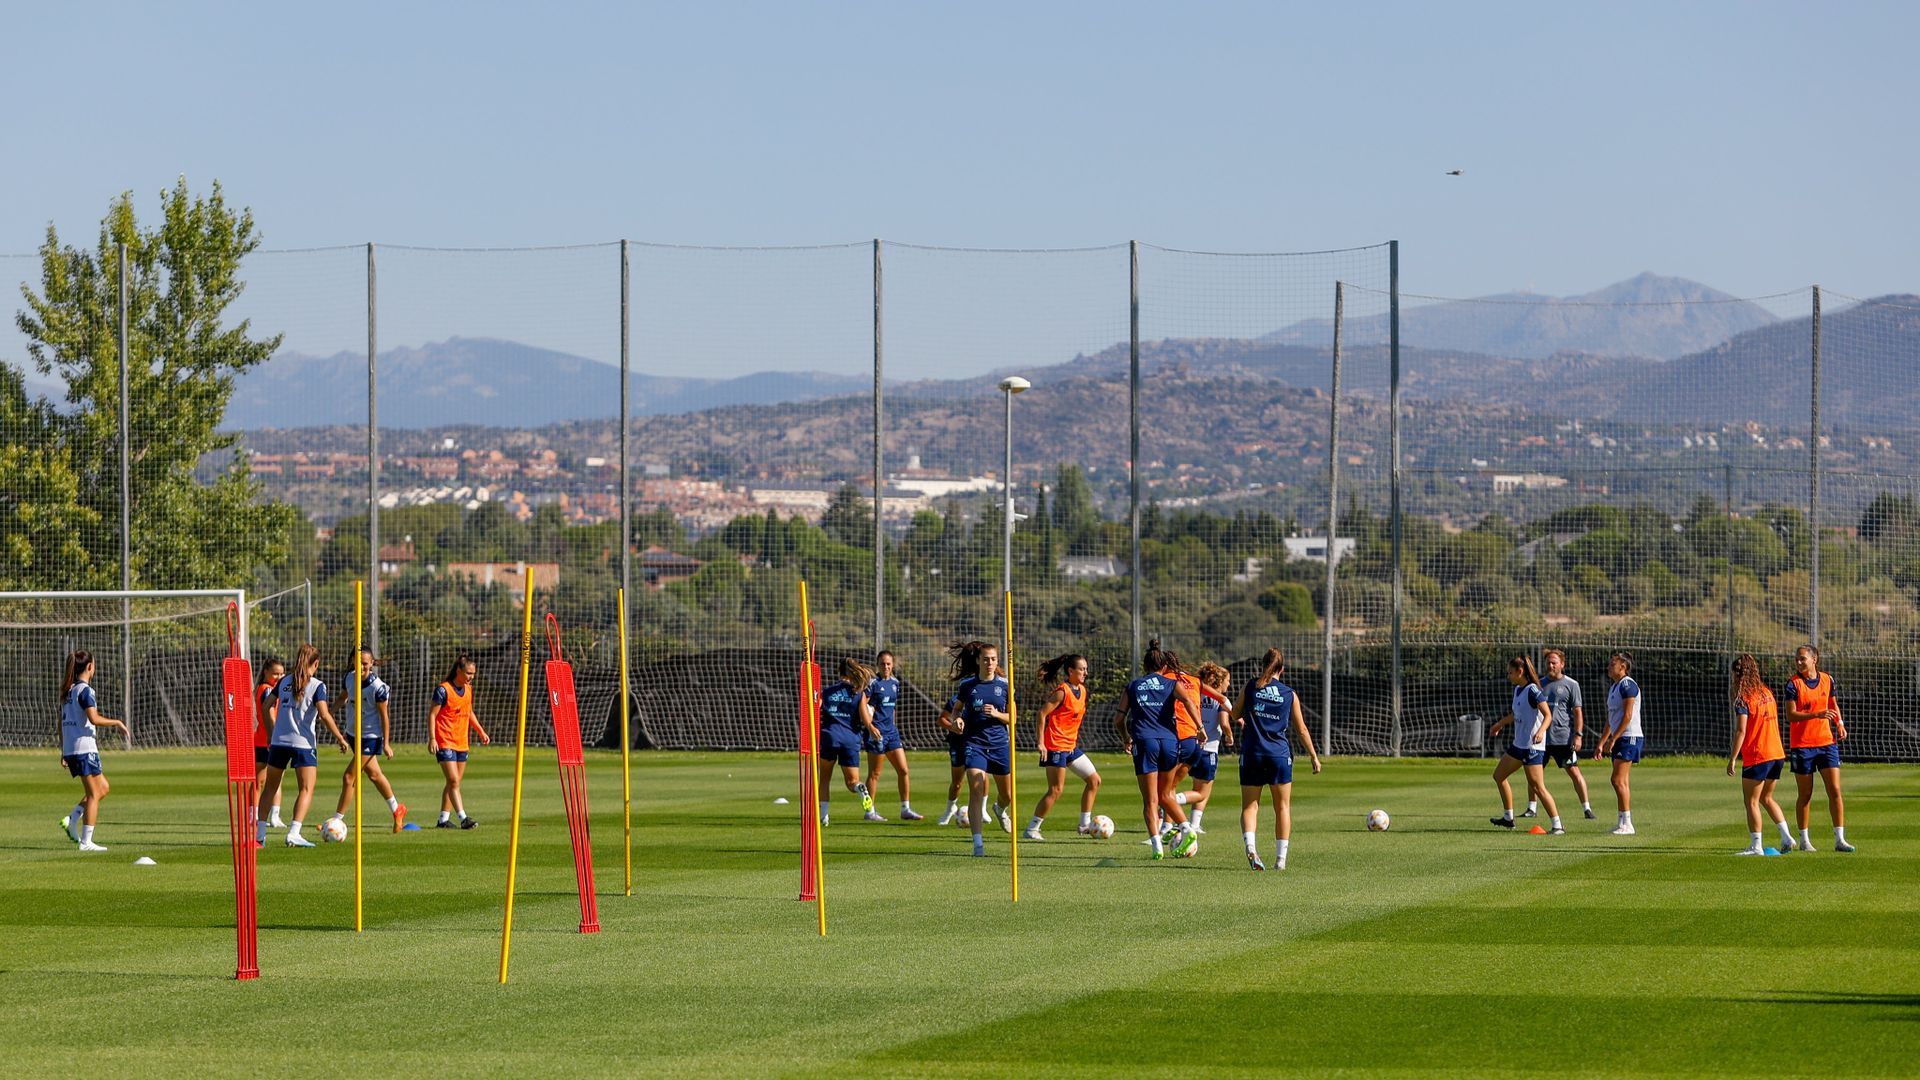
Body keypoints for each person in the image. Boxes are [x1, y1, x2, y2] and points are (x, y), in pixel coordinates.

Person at [1229, 648, 1322, 870]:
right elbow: (1301, 730)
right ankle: (1280, 860)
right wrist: (1313, 756)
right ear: (1282, 669)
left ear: (1263, 666)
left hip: (1252, 753)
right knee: (1282, 807)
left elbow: (1234, 714)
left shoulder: (1251, 686)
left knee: (1250, 806)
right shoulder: (1289, 694)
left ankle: (1251, 847)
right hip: (1278, 754)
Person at [1110, 639, 1202, 860]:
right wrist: (1200, 727)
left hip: (1145, 742)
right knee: (1166, 793)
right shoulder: (1171, 684)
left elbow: (1118, 720)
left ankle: (1157, 847)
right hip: (1170, 743)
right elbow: (1189, 702)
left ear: (1144, 666)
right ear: (1163, 667)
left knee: (1150, 800)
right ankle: (1187, 829)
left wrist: (1126, 738)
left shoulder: (1133, 686)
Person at [256, 643, 352, 848]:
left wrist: (272, 734)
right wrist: (340, 738)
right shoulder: (317, 685)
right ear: (315, 663)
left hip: (279, 742)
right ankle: (294, 833)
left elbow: (266, 707)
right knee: (306, 789)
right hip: (303, 744)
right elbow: (325, 715)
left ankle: (259, 836)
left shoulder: (283, 682)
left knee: (270, 788)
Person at [939, 639, 1014, 857]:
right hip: (974, 744)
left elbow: (1013, 718)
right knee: (976, 787)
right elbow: (957, 709)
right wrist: (956, 720)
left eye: (993, 659)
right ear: (979, 661)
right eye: (986, 659)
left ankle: (1000, 810)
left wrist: (998, 715)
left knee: (1007, 795)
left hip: (999, 745)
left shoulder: (1005, 686)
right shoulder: (967, 686)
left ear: (997, 661)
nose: (990, 663)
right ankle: (978, 844)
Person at [328, 649, 409, 834]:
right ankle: (398, 809)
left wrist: (386, 743)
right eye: (359, 662)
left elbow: (384, 717)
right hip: (353, 734)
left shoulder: (377, 688)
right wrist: (329, 713)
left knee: (349, 777)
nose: (362, 666)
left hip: (371, 738)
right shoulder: (349, 678)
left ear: (372, 663)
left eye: (365, 663)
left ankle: (336, 822)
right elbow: (343, 697)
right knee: (374, 775)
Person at [1024, 653, 1101, 841]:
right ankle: (1032, 829)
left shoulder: (1082, 690)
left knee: (1094, 781)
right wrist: (1041, 743)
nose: (1085, 672)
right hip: (1055, 746)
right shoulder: (1062, 691)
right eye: (1082, 669)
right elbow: (1041, 714)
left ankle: (1084, 825)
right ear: (1070, 671)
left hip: (1070, 747)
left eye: (1085, 669)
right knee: (1056, 790)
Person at [1783, 644, 1852, 852]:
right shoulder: (1793, 684)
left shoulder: (1827, 680)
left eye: (1802, 658)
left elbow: (1832, 704)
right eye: (1797, 658)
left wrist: (1839, 723)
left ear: (1815, 659)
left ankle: (1840, 839)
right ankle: (1804, 841)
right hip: (1803, 746)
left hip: (1826, 743)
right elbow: (1790, 715)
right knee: (1805, 794)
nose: (1798, 662)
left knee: (1836, 790)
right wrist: (1816, 715)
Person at [57, 650, 126, 852]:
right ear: (89, 667)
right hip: (84, 749)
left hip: (73, 748)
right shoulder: (86, 691)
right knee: (94, 794)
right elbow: (94, 718)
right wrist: (117, 723)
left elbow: (59, 725)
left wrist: (63, 751)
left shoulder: (67, 691)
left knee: (103, 787)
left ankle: (72, 820)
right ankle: (86, 842)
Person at [1727, 652, 1795, 855]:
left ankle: (1756, 846)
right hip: (1776, 753)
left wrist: (1732, 758)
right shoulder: (1766, 692)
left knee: (1751, 801)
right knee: (1767, 798)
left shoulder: (1743, 698)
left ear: (1737, 675)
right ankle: (1786, 836)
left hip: (1758, 755)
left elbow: (1741, 730)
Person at [1488, 655, 1563, 834]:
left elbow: (1548, 715)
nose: (1508, 676)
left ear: (1520, 672)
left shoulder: (1533, 690)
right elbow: (1516, 714)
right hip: (1518, 746)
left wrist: (1540, 731)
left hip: (1532, 748)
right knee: (1499, 776)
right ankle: (1508, 818)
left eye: (1510, 673)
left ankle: (1558, 825)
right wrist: (1500, 724)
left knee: (1538, 787)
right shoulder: (1518, 690)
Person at [1527, 649, 1593, 820]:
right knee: (1533, 773)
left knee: (1575, 772)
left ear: (1562, 664)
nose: (1551, 665)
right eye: (1548, 662)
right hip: (1541, 739)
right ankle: (1531, 808)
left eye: (1554, 662)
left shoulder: (1571, 685)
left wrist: (1578, 735)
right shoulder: (1538, 685)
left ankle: (1586, 808)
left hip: (1562, 738)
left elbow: (1578, 712)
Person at [817, 657, 883, 826]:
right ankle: (860, 788)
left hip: (829, 737)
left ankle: (823, 817)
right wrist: (872, 729)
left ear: (839, 673)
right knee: (852, 782)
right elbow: (865, 717)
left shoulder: (828, 691)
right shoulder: (858, 693)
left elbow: (815, 711)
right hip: (850, 740)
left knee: (824, 778)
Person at [429, 654, 491, 829]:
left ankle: (443, 820)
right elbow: (432, 715)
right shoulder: (443, 690)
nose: (471, 677)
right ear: (459, 670)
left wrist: (481, 731)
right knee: (454, 780)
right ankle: (463, 818)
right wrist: (433, 738)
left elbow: (469, 712)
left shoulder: (468, 689)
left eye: (473, 673)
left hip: (462, 741)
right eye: (468, 673)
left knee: (453, 782)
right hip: (445, 740)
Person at [1174, 662, 1235, 834]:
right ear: (1219, 681)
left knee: (1195, 785)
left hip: (1190, 745)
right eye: (1228, 680)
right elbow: (1224, 722)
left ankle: (1187, 822)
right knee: (1202, 790)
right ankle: (1177, 805)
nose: (1229, 684)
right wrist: (1230, 736)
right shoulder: (1219, 699)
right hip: (1209, 749)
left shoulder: (1195, 693)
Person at [861, 650, 921, 821]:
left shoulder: (895, 683)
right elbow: (862, 705)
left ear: (892, 664)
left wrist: (892, 725)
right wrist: (870, 727)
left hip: (891, 733)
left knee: (903, 770)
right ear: (877, 665)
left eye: (888, 663)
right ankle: (869, 811)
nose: (886, 666)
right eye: (882, 664)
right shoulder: (872, 683)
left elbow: (892, 708)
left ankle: (905, 809)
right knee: (874, 774)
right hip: (876, 734)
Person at [1594, 651, 1643, 835]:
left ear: (1623, 667)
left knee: (1617, 779)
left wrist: (1614, 739)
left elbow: (1627, 716)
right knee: (1621, 781)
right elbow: (1611, 719)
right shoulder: (1614, 687)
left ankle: (1627, 824)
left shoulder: (1628, 685)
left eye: (1612, 664)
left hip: (1629, 737)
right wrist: (1602, 742)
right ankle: (1622, 822)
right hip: (1620, 737)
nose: (1608, 667)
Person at [253, 658, 287, 829]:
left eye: (282, 674)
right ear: (266, 672)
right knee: (262, 781)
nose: (279, 677)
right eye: (275, 674)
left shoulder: (272, 689)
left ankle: (273, 816)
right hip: (265, 740)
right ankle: (258, 815)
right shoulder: (267, 690)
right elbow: (270, 714)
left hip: (268, 739)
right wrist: (273, 735)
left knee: (273, 780)